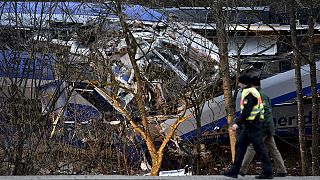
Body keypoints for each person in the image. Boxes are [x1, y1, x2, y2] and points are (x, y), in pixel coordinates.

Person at [221, 74, 273, 179]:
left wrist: (237, 123)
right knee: (240, 146)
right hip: (250, 126)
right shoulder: (249, 92)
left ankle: (267, 173)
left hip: (253, 126)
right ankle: (234, 171)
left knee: (259, 149)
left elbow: (247, 110)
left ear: (243, 83)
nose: (238, 84)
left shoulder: (250, 94)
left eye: (239, 82)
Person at [239, 76, 287, 177]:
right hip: (267, 126)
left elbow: (264, 113)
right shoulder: (263, 94)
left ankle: (242, 170)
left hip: (262, 127)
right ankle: (282, 170)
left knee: (252, 147)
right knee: (273, 148)